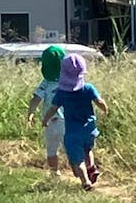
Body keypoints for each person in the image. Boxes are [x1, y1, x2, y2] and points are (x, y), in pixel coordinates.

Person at [42, 54, 107, 191]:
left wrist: (45, 119)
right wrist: (105, 109)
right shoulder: (88, 88)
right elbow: (99, 102)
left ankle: (85, 181)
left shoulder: (62, 93)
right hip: (90, 129)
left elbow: (53, 108)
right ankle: (92, 167)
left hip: (72, 132)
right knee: (88, 149)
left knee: (78, 160)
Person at [27, 45, 67, 177]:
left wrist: (30, 114)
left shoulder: (46, 83)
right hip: (66, 121)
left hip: (48, 122)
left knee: (51, 150)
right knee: (70, 149)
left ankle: (54, 173)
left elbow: (35, 99)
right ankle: (80, 171)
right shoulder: (69, 82)